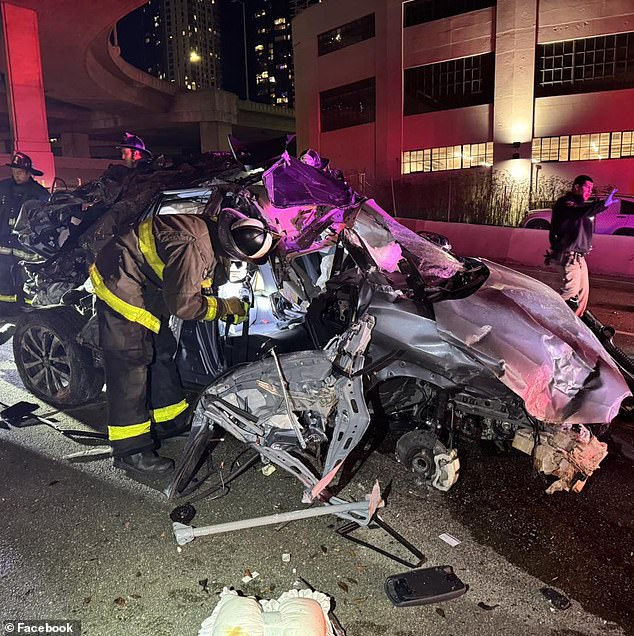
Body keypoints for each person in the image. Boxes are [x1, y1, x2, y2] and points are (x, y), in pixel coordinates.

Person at [89, 208, 275, 476]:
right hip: (121, 279)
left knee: (161, 351)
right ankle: (129, 451)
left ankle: (170, 420)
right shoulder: (195, 247)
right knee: (131, 362)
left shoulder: (210, 232)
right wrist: (224, 308)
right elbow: (185, 308)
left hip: (147, 283)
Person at [546, 175, 618, 316]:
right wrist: (602, 205)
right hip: (568, 254)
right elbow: (577, 213)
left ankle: (574, 326)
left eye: (591, 188)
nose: (589, 191)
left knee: (582, 295)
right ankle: (546, 318)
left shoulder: (583, 207)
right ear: (576, 187)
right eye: (587, 187)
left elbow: (582, 221)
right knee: (569, 293)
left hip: (579, 256)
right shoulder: (566, 203)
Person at [0, 152, 49, 305]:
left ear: (29, 173)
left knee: (27, 274)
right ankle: (6, 304)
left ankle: (29, 305)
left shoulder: (39, 193)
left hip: (27, 243)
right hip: (4, 240)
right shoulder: (4, 187)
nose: (16, 176)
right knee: (3, 273)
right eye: (14, 172)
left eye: (20, 172)